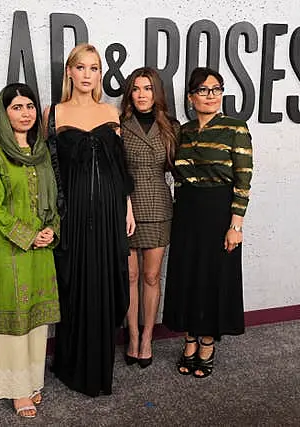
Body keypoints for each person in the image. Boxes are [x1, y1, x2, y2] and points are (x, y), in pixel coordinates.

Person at [43, 43, 135, 397]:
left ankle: (100, 365)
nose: (87, 75)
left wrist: (126, 208)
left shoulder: (111, 113)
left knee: (106, 281)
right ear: (69, 71)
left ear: (99, 74)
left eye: (94, 68)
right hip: (74, 214)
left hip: (110, 209)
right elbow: (47, 168)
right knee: (76, 283)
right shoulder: (54, 113)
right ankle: (71, 364)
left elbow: (119, 166)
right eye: (80, 67)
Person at [163, 67, 253, 379]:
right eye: (203, 90)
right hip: (187, 211)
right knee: (188, 276)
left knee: (215, 277)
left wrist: (236, 224)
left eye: (216, 89)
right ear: (191, 97)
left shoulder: (235, 128)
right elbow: (176, 174)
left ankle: (207, 342)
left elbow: (244, 180)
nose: (211, 95)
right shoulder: (182, 132)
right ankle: (189, 337)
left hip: (219, 213)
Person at [0, 83, 60, 417]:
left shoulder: (41, 154)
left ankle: (32, 382)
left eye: (29, 107)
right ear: (4, 112)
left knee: (36, 320)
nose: (24, 113)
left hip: (41, 248)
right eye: (16, 107)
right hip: (10, 250)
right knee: (15, 320)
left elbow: (52, 198)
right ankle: (16, 390)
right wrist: (28, 235)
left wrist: (51, 228)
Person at [119, 67, 179, 369]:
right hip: (126, 208)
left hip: (158, 207)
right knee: (129, 276)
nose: (142, 94)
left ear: (157, 93)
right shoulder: (119, 124)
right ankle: (131, 337)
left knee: (151, 277)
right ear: (130, 93)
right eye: (136, 89)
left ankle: (147, 338)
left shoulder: (170, 126)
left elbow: (180, 168)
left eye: (148, 88)